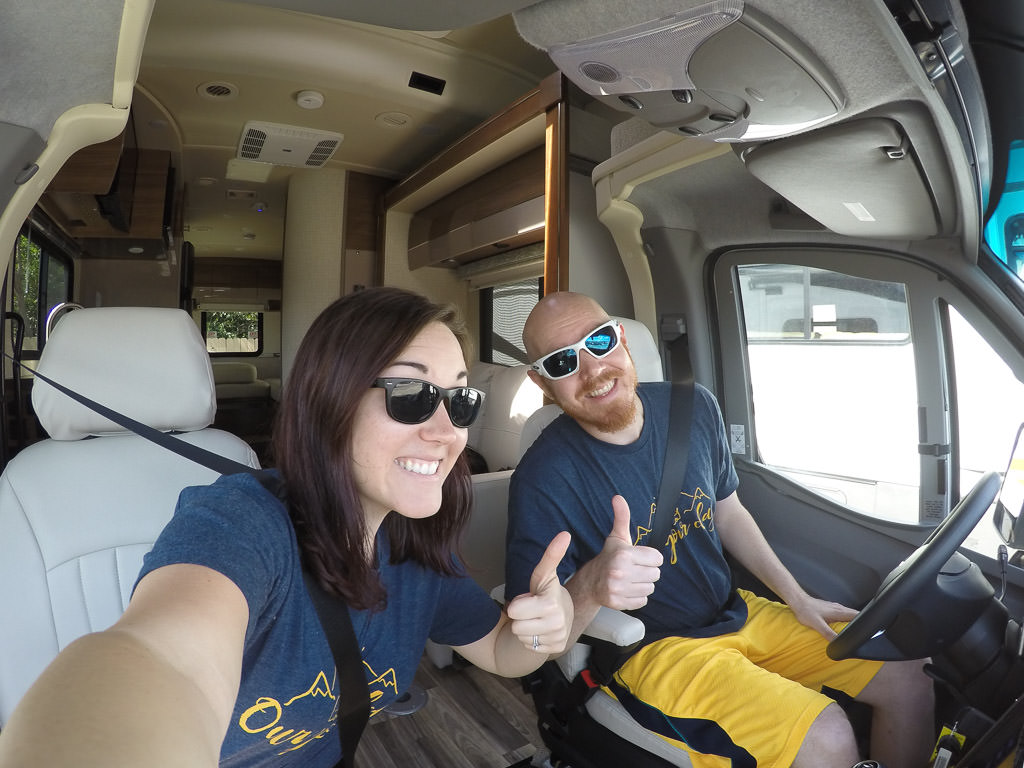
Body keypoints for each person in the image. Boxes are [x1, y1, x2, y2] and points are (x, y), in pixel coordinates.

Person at [0, 287, 573, 768]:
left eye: (460, 400)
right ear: (330, 402)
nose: (449, 433)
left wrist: (555, 622)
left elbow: (500, 651)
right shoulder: (241, 523)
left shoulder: (414, 547)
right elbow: (167, 661)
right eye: (411, 394)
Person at [505, 291, 935, 768]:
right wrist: (591, 584)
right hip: (656, 649)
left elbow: (728, 513)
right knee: (828, 736)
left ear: (621, 338)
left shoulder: (693, 408)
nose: (592, 370)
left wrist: (797, 597)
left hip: (735, 610)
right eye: (563, 362)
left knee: (909, 672)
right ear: (542, 381)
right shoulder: (542, 477)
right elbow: (545, 638)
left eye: (600, 340)